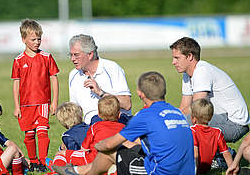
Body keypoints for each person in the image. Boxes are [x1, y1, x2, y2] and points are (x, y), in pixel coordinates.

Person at [53, 71, 195, 175]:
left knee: (108, 151)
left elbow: (109, 144)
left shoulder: (145, 115)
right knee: (125, 149)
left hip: (159, 171)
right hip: (187, 171)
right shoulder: (178, 113)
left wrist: (97, 145)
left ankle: (78, 172)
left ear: (140, 94)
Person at [170, 37, 249, 143]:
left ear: (189, 56)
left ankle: (216, 155)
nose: (173, 62)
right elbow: (184, 107)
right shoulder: (187, 74)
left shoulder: (202, 71)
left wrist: (171, 119)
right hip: (220, 118)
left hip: (234, 124)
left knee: (185, 123)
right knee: (179, 122)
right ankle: (215, 154)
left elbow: (196, 109)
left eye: (177, 58)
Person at [11, 18, 59, 172]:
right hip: (25, 105)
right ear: (23, 39)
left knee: (43, 132)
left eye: (39, 38)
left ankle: (44, 161)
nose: (37, 42)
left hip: (43, 102)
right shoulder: (18, 60)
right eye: (33, 39)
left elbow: (54, 79)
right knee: (29, 135)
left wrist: (54, 102)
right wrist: (17, 106)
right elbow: (16, 83)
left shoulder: (46, 57)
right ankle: (33, 161)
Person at [68, 34, 132, 125]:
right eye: (71, 55)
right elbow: (74, 111)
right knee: (68, 136)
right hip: (91, 128)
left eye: (76, 55)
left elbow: (127, 104)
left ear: (90, 54)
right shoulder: (73, 75)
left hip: (116, 124)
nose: (72, 59)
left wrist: (101, 93)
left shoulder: (112, 68)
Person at [52, 95, 125, 171]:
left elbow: (84, 149)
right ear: (119, 114)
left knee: (60, 154)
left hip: (93, 159)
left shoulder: (94, 127)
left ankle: (56, 171)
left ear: (99, 114)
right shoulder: (124, 128)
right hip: (117, 159)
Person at [190, 99, 232, 174]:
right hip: (206, 168)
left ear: (193, 118)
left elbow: (195, 153)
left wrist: (194, 172)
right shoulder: (217, 132)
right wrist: (232, 169)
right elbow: (226, 153)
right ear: (211, 116)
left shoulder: (193, 131)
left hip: (195, 167)